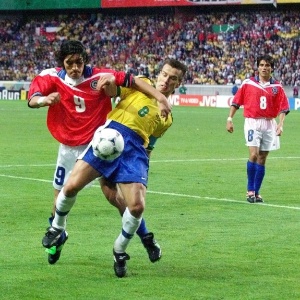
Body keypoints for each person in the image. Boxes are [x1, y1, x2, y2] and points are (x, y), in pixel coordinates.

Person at [27, 40, 170, 265]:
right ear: (61, 64)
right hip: (67, 147)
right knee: (60, 200)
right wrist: (44, 100)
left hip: (102, 143)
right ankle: (58, 237)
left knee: (116, 198)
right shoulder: (52, 77)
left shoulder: (99, 75)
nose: (75, 67)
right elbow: (32, 98)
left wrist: (113, 85)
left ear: (85, 60)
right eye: (70, 63)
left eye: (79, 62)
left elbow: (127, 79)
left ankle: (145, 237)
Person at [226, 55, 290, 203]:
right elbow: (236, 102)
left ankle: (257, 191)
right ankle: (250, 190)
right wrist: (230, 119)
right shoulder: (248, 83)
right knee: (253, 155)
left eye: (267, 65)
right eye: (261, 65)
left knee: (262, 158)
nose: (264, 67)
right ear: (257, 67)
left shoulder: (277, 87)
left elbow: (283, 107)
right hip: (252, 122)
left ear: (271, 68)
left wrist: (280, 124)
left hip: (269, 123)